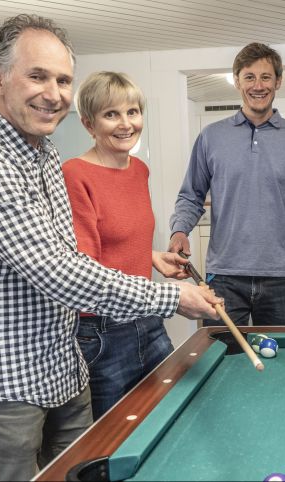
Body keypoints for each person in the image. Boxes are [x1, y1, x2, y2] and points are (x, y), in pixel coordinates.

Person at [0, 15, 219, 481]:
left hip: (62, 368)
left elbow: (68, 250)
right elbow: (59, 272)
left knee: (90, 474)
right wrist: (173, 296)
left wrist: (148, 261)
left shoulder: (42, 155)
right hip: (3, 385)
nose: (54, 92)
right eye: (37, 75)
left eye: (63, 79)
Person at [169, 42, 285, 327]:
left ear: (278, 81)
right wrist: (180, 229)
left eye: (266, 77)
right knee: (220, 356)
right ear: (236, 81)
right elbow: (191, 195)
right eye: (249, 77)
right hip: (222, 276)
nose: (258, 85)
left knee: (275, 362)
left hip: (278, 278)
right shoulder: (211, 137)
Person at [62, 71, 187, 420]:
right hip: (102, 331)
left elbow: (116, 237)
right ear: (88, 123)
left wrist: (150, 257)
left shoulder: (139, 170)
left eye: (133, 112)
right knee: (112, 438)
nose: (126, 123)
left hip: (147, 319)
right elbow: (82, 266)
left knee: (168, 417)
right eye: (111, 114)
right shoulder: (74, 174)